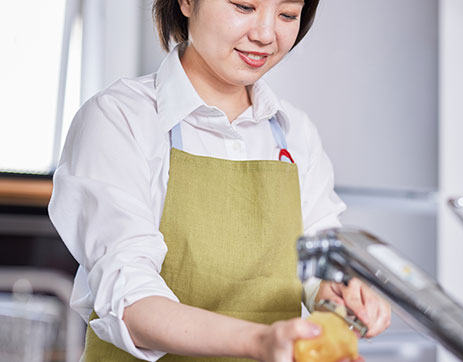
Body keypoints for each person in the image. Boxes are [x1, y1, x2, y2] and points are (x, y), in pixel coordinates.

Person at [48, 0, 391, 361]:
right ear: (186, 2)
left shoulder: (296, 133)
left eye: (287, 15)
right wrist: (261, 342)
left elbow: (316, 264)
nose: (265, 34)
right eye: (244, 6)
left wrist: (338, 294)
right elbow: (129, 298)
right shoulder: (121, 119)